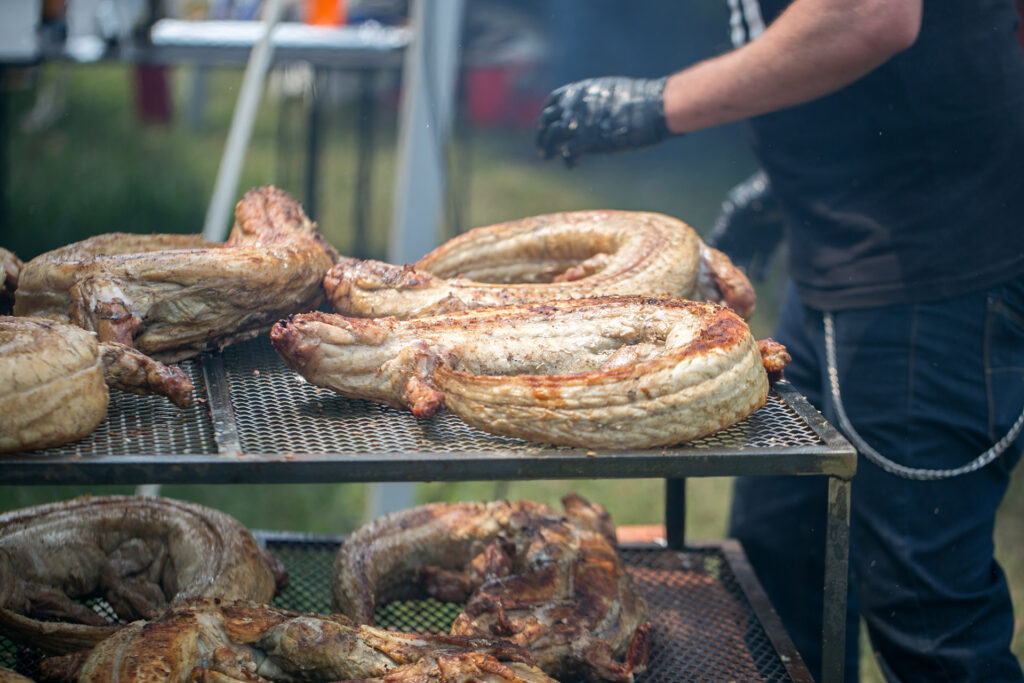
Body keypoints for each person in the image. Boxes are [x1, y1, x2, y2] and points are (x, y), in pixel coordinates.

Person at [535, 1, 1024, 681]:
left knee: (930, 622)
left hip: (930, 282)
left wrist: (659, 102)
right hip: (836, 275)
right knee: (778, 580)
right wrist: (798, 168)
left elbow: (872, 15)